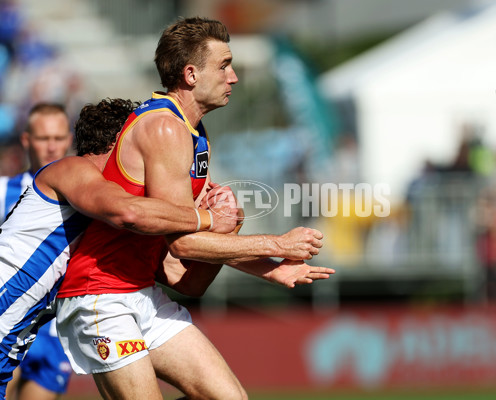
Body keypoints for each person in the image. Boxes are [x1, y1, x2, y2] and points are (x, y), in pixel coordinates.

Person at [55, 17, 333, 400]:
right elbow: (184, 246)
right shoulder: (165, 128)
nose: (233, 77)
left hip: (141, 292)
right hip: (101, 295)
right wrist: (276, 245)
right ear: (190, 74)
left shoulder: (195, 133)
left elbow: (189, 264)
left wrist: (270, 270)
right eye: (224, 65)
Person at [0, 98, 241, 400]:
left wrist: (266, 255)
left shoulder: (97, 218)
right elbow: (131, 212)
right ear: (122, 141)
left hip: (13, 338)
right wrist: (208, 218)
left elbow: (180, 274)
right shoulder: (75, 171)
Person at [1, 103, 72, 400]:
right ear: (27, 140)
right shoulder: (5, 190)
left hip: (52, 331)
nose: (52, 147)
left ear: (70, 139)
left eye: (59, 138)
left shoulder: (87, 197)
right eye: (44, 139)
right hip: (10, 321)